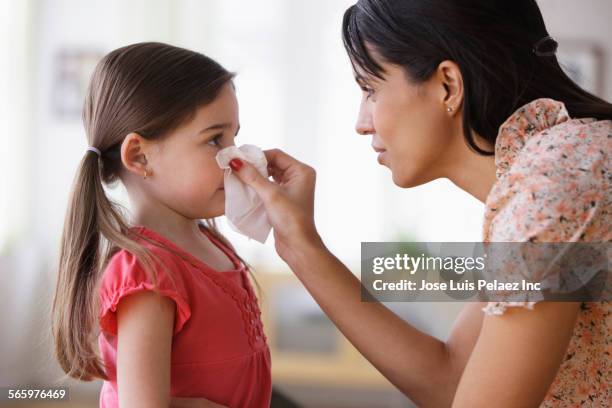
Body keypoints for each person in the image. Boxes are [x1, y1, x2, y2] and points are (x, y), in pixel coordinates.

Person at [228, 1, 611, 406]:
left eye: (370, 90)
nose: (361, 123)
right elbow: (451, 378)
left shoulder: (550, 186)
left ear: (448, 84)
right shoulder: (562, 162)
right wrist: (299, 244)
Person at [51, 42, 270, 408]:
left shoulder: (213, 244)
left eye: (234, 136)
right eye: (215, 139)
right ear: (139, 156)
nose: (236, 158)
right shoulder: (147, 272)